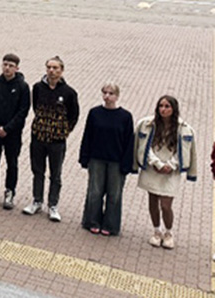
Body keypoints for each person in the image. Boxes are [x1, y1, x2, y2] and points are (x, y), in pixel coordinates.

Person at [134, 95, 197, 249]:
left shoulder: (184, 129)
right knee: (153, 201)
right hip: (152, 168)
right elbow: (143, 146)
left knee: (166, 205)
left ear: (174, 109)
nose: (163, 109)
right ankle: (157, 231)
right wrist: (156, 163)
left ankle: (168, 233)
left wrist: (170, 165)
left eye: (167, 106)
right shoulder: (147, 124)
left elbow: (186, 150)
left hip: (171, 171)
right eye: (161, 106)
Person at [23, 56, 79, 222]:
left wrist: (63, 132)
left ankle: (53, 205)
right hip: (38, 138)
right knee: (37, 171)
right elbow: (35, 108)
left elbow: (73, 116)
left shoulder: (69, 93)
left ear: (62, 70)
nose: (52, 71)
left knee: (55, 174)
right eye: (49, 67)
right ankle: (37, 200)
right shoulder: (38, 88)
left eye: (55, 68)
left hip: (57, 142)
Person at [78, 84, 134, 236]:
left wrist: (127, 164)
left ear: (117, 96)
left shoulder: (125, 117)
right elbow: (87, 135)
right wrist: (84, 157)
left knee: (114, 194)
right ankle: (92, 221)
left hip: (116, 161)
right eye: (105, 93)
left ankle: (110, 224)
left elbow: (129, 142)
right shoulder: (95, 113)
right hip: (96, 158)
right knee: (95, 192)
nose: (107, 96)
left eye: (111, 93)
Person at [0, 53, 31, 209]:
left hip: (12, 133)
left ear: (17, 68)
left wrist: (7, 128)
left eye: (11, 65)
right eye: (5, 64)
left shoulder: (22, 87)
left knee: (12, 163)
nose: (7, 68)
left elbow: (23, 111)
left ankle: (10, 191)